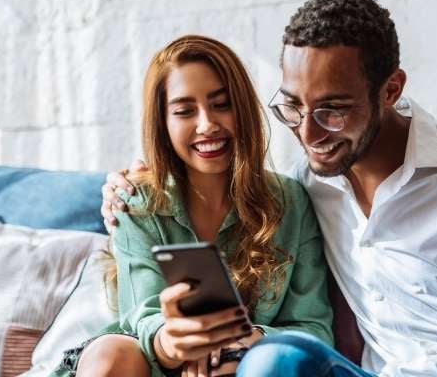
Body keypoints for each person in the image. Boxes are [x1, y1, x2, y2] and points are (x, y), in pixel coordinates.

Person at [103, 0, 437, 377]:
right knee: (274, 361)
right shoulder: (304, 187)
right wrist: (131, 181)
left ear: (390, 89)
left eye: (332, 111)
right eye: (293, 106)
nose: (308, 134)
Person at [57, 34, 333, 377]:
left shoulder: (291, 201)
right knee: (112, 356)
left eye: (221, 104)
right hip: (151, 360)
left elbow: (313, 328)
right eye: (185, 111)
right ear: (164, 123)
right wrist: (173, 343)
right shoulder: (137, 200)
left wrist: (248, 341)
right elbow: (141, 316)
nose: (207, 124)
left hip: (248, 363)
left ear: (242, 109)